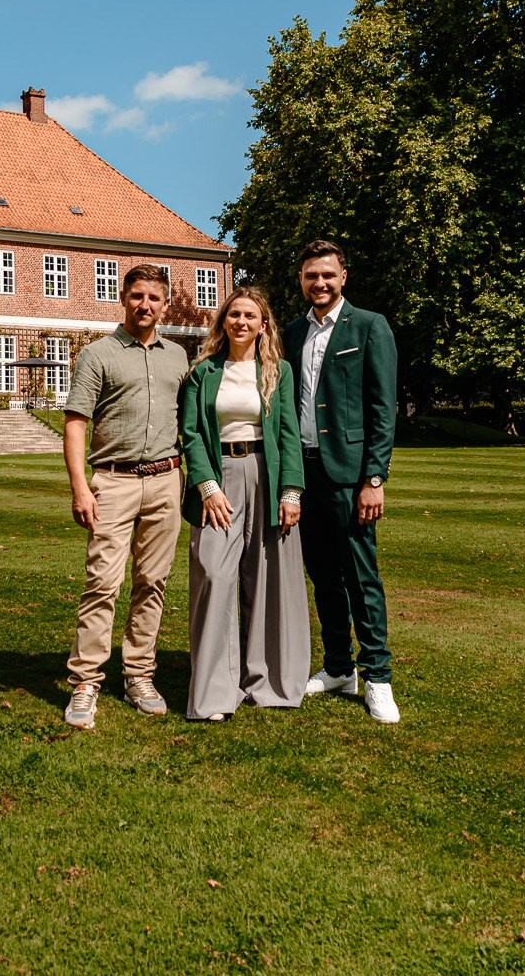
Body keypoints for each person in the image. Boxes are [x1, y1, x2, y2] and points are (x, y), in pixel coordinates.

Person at [60, 263, 192, 730]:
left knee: (152, 583)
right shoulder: (97, 354)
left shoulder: (178, 357)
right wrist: (80, 485)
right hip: (112, 481)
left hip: (164, 481)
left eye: (154, 298)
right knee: (103, 583)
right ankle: (86, 682)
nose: (145, 305)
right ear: (123, 297)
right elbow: (76, 421)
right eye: (137, 296)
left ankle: (139, 675)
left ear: (165, 303)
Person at [285, 239, 401, 723]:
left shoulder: (369, 326)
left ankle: (378, 676)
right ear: (302, 281)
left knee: (361, 578)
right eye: (312, 276)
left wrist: (374, 476)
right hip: (303, 472)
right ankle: (338, 667)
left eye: (328, 275)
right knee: (323, 577)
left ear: (343, 277)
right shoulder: (292, 332)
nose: (320, 283)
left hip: (351, 475)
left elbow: (382, 406)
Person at [178, 285, 306, 722]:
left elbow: (288, 433)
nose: (241, 322)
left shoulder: (279, 372)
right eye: (234, 315)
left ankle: (266, 680)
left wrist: (291, 492)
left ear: (263, 324)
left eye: (250, 316)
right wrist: (207, 486)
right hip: (220, 479)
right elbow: (191, 434)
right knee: (214, 574)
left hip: (266, 475)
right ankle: (215, 692)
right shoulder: (203, 372)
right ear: (223, 322)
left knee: (268, 577)